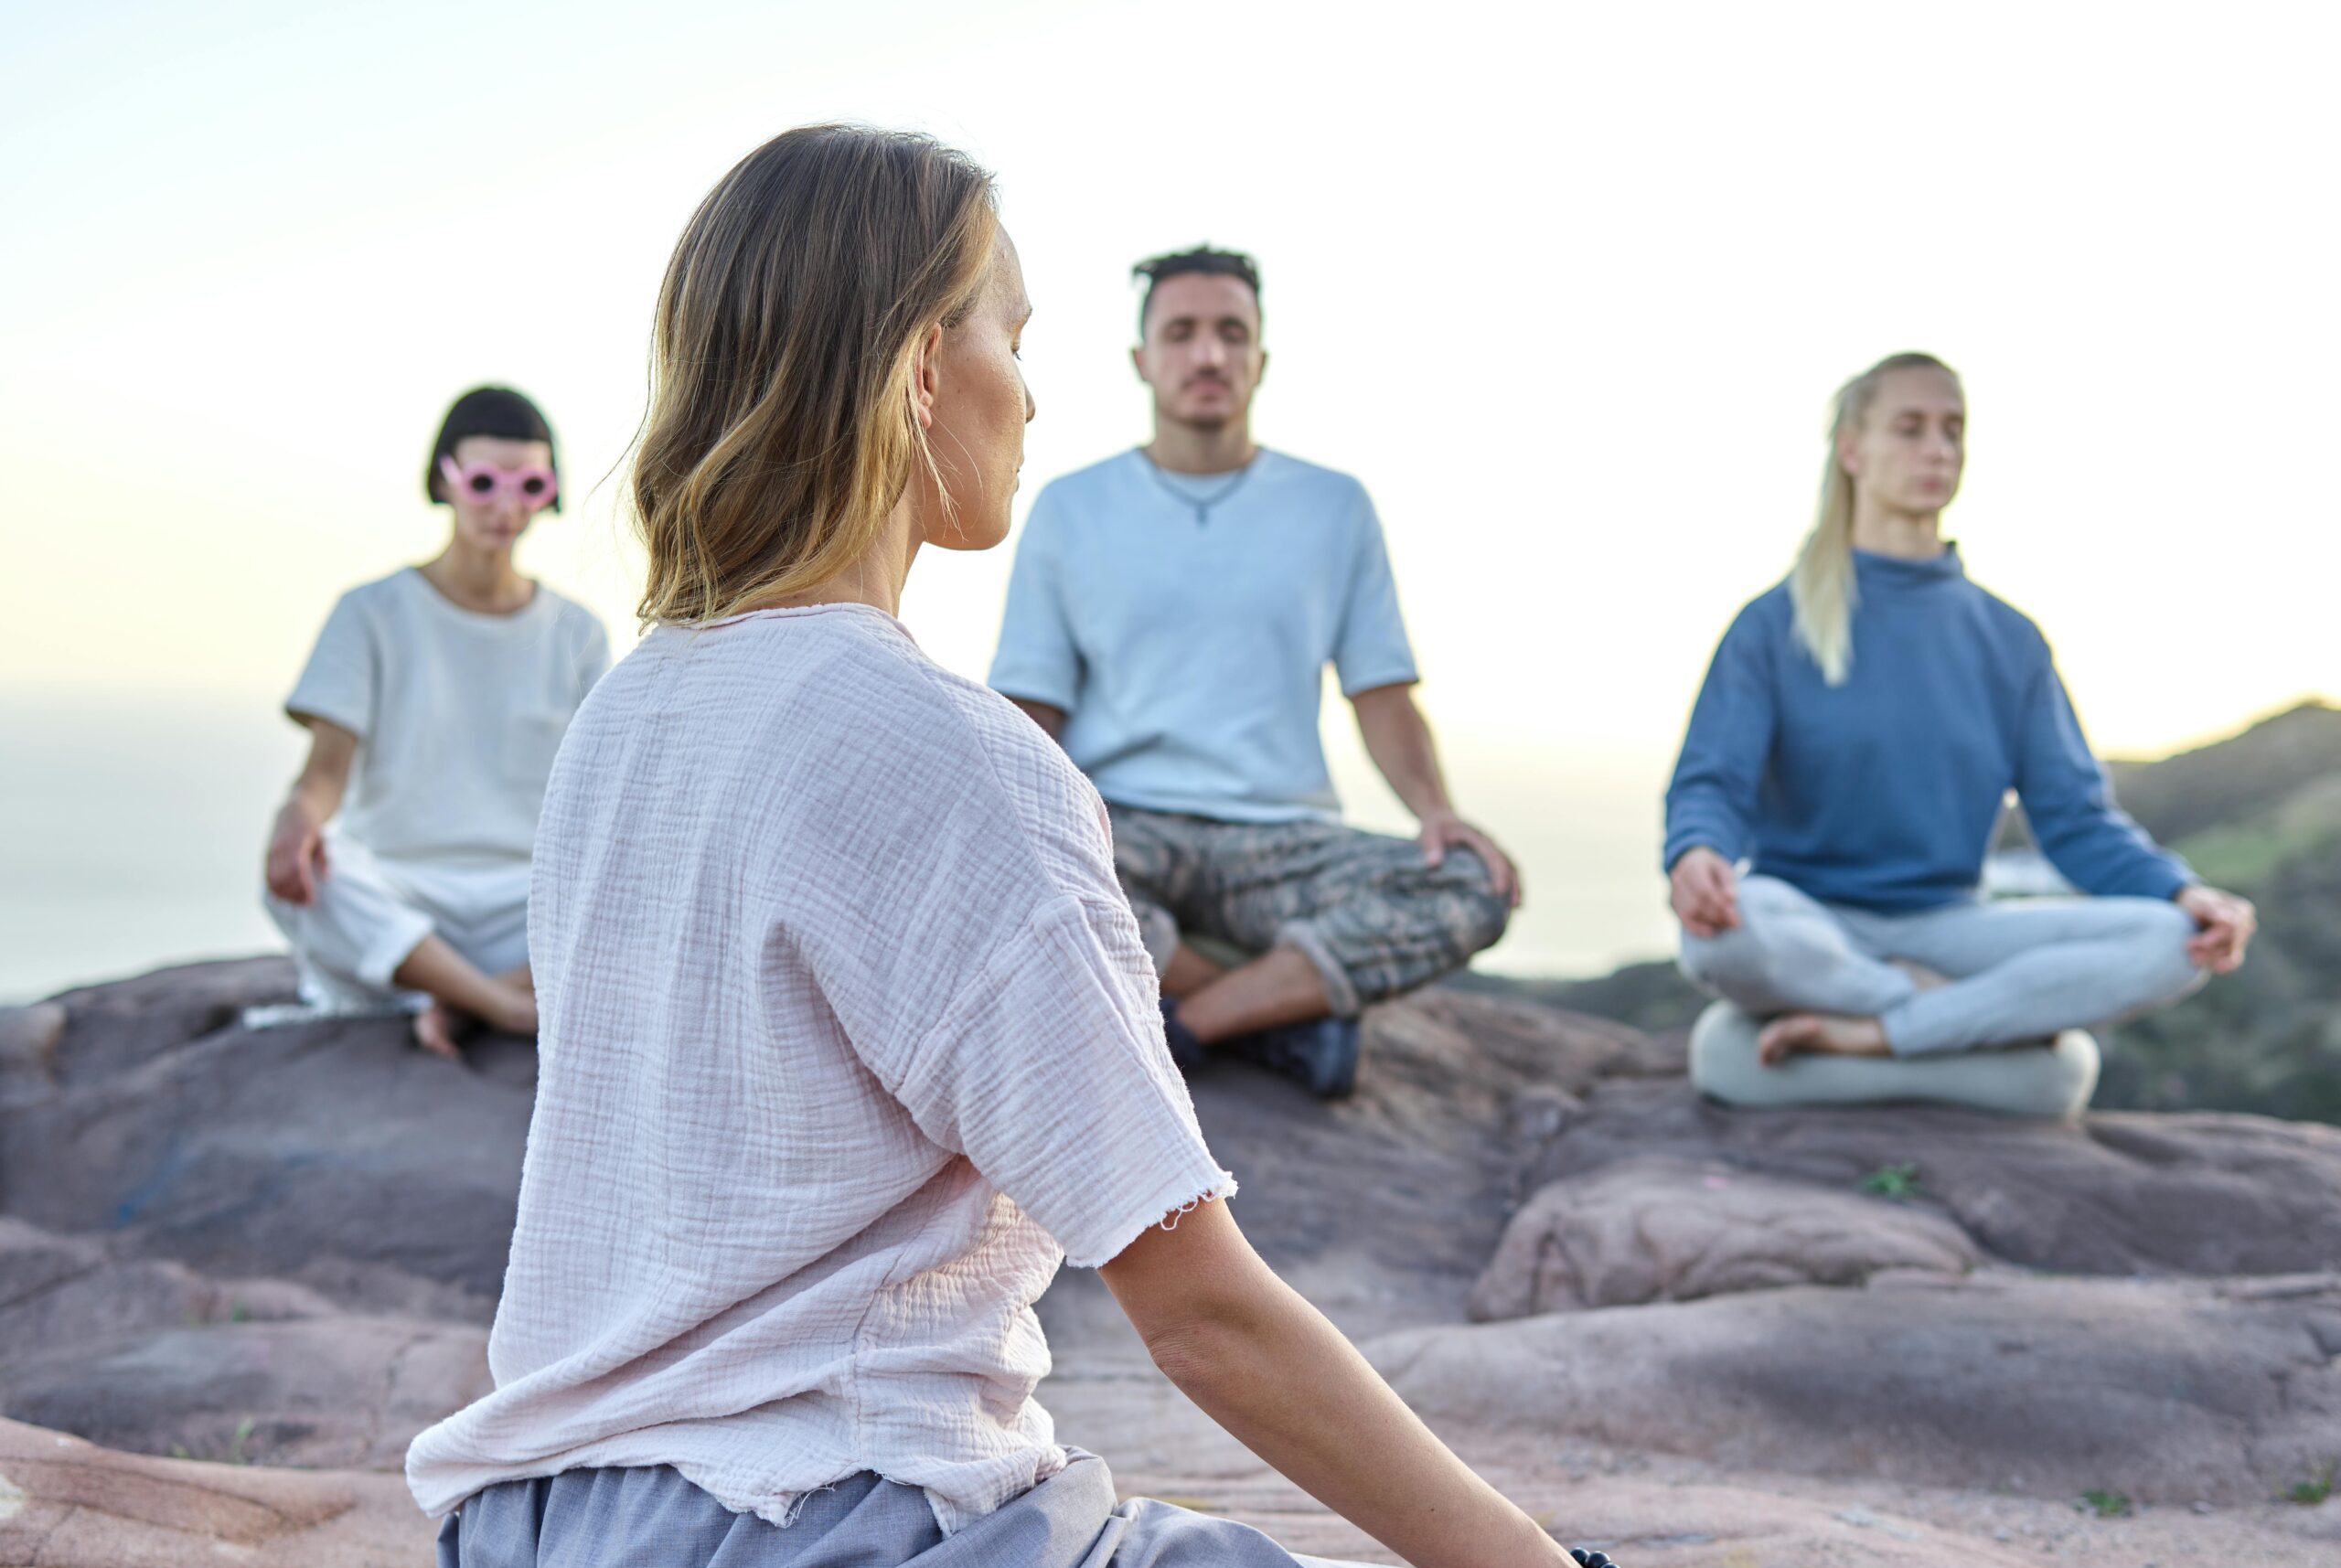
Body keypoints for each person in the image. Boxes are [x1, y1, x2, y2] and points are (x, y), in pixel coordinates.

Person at [406, 125, 1602, 1568]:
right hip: (826, 1513)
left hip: (529, 1519)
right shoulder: (949, 754)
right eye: (1014, 338)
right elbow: (1203, 1312)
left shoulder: (623, 714)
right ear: (922, 368)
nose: (1031, 396)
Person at [1662, 351, 2257, 1117]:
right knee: (1720, 938)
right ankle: (1943, 1018)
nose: (1938, 449)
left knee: (2172, 941)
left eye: (1953, 430)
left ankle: (1872, 1037)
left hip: (1950, 926)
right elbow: (1713, 781)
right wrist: (1697, 852)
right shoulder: (1772, 626)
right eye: (1910, 429)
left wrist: (2185, 891)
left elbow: (2075, 821)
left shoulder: (2009, 640)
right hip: (1812, 926)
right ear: (1852, 449)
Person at [986, 246, 1516, 1101]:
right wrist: (1011, 826)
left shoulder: (1333, 505)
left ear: (1260, 359)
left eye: (1232, 334)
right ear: (1142, 360)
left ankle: (1190, 1019)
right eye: (1183, 333)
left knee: (1471, 886)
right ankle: (1284, 1010)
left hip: (1282, 843)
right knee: (1021, 868)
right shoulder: (1072, 508)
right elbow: (1031, 705)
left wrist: (1438, 813)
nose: (1209, 355)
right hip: (1126, 829)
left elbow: (1381, 691)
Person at [262, 387, 609, 1059]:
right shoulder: (370, 613)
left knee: (657, 872)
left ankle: (454, 996)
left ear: (549, 493)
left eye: (529, 484)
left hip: (527, 903)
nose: (506, 506)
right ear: (443, 479)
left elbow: (599, 802)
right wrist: (296, 816)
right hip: (401, 888)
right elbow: (325, 774)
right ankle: (505, 1005)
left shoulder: (577, 634)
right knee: (305, 878)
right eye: (483, 482)